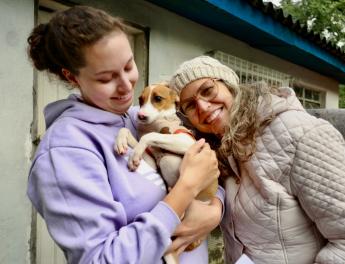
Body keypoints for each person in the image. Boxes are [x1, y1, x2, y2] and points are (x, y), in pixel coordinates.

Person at [26, 6, 223, 263]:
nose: (126, 85)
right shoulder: (64, 151)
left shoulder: (135, 118)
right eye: (106, 78)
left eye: (129, 66)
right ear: (71, 77)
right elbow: (101, 259)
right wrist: (185, 190)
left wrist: (214, 210)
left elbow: (209, 171)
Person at [169, 55, 345, 264]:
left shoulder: (298, 134)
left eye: (208, 90)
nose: (203, 107)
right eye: (190, 105)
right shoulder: (220, 151)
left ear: (229, 85)